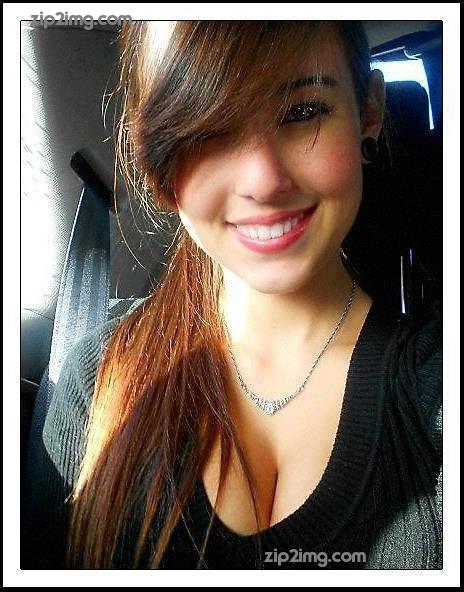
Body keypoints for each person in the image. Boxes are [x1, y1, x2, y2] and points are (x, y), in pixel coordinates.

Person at [23, 21, 442, 570]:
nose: (263, 181)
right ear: (156, 159)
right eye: (206, 129)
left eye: (303, 111)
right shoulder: (94, 380)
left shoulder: (436, 391)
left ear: (368, 111)